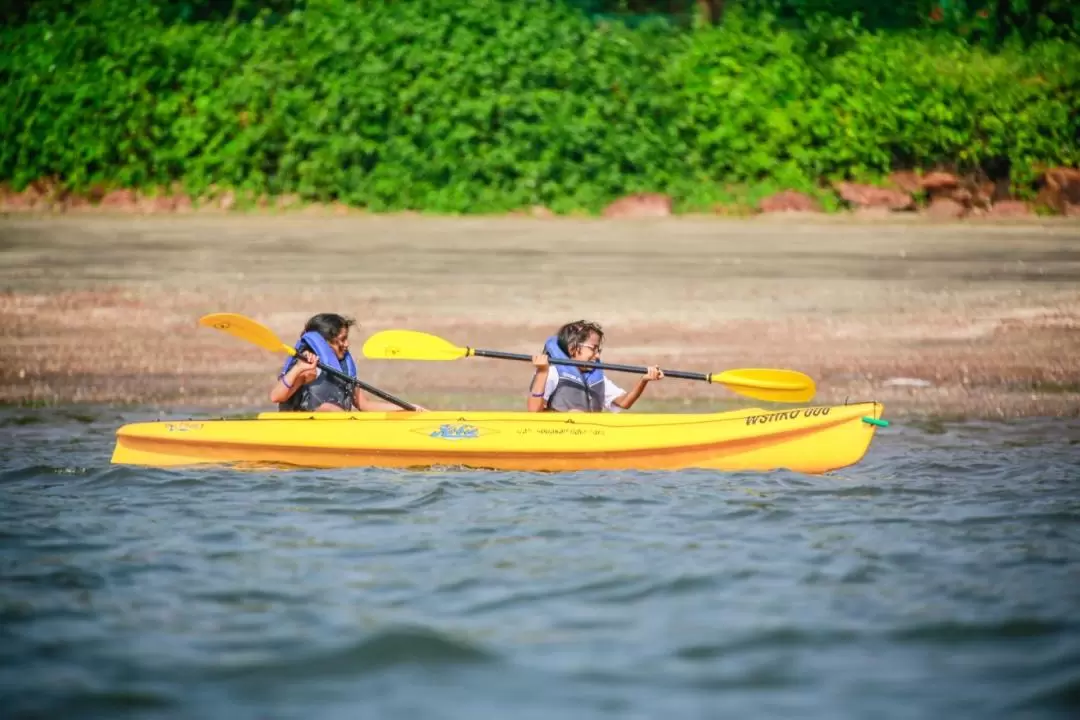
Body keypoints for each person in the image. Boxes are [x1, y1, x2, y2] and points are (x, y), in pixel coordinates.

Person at [270, 313, 421, 412]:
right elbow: (276, 397)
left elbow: (364, 405)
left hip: (338, 427)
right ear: (325, 342)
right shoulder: (307, 368)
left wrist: (405, 410)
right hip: (301, 430)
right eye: (342, 339)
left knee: (331, 409)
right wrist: (297, 369)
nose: (347, 344)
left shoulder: (345, 368)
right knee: (328, 408)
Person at [527, 320, 663, 413]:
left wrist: (644, 380)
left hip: (590, 438)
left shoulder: (595, 376)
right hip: (559, 438)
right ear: (572, 348)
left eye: (599, 350)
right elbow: (533, 411)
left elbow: (624, 402)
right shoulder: (551, 373)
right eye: (593, 349)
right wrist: (542, 372)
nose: (597, 355)